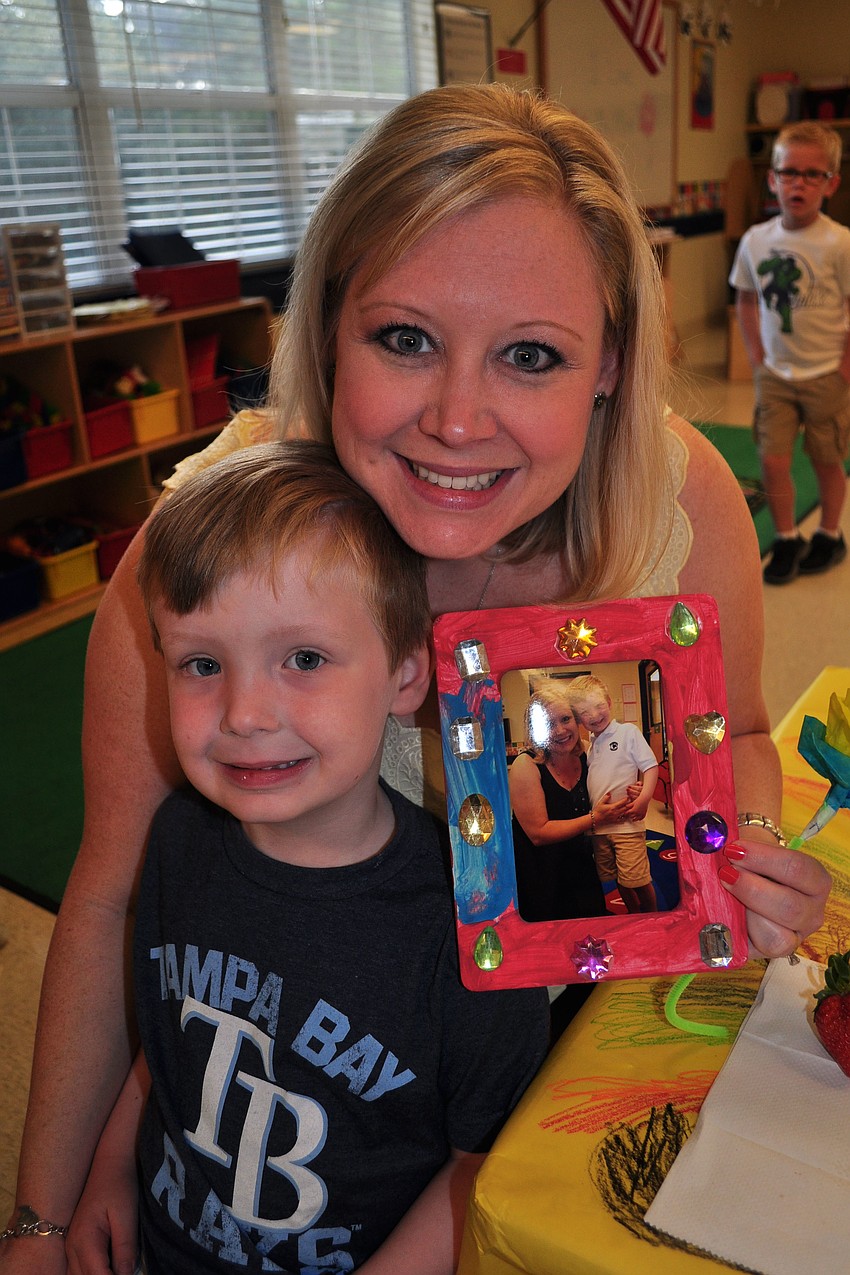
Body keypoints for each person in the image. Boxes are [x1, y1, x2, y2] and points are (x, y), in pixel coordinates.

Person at [3, 84, 831, 1275]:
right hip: (300, 1089)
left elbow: (739, 729)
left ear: (605, 372)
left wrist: (743, 849)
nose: (456, 420)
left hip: (545, 1082)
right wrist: (40, 1212)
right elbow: (110, 899)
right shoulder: (207, 558)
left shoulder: (676, 501)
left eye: (531, 356)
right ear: (329, 326)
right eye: (403, 339)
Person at [67, 440, 550, 1274]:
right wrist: (106, 1171)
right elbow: (172, 1036)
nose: (245, 712)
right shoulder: (178, 841)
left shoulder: (474, 923)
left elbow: (477, 1169)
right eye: (202, 663)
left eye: (304, 659)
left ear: (406, 676)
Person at [730, 120, 850, 585]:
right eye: (789, 172)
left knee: (827, 458)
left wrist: (844, 369)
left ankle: (829, 532)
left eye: (812, 174)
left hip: (826, 375)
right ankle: (785, 538)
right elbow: (745, 298)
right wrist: (758, 359)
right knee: (773, 461)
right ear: (773, 179)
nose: (799, 182)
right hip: (775, 376)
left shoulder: (839, 242)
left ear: (831, 183)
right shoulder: (756, 241)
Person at [509, 680, 629, 921]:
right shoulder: (526, 764)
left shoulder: (588, 751)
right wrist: (595, 818)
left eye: (565, 719)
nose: (560, 731)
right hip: (541, 871)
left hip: (581, 861)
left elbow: (614, 781)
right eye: (548, 724)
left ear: (577, 720)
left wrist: (635, 790)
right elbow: (538, 833)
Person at [568, 674, 659, 914]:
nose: (595, 715)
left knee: (637, 880)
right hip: (600, 828)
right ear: (578, 719)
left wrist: (643, 799)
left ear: (609, 702)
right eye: (585, 712)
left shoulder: (627, 732)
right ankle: (632, 914)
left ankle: (651, 916)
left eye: (598, 706)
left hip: (627, 825)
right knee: (617, 878)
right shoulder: (592, 744)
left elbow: (650, 766)